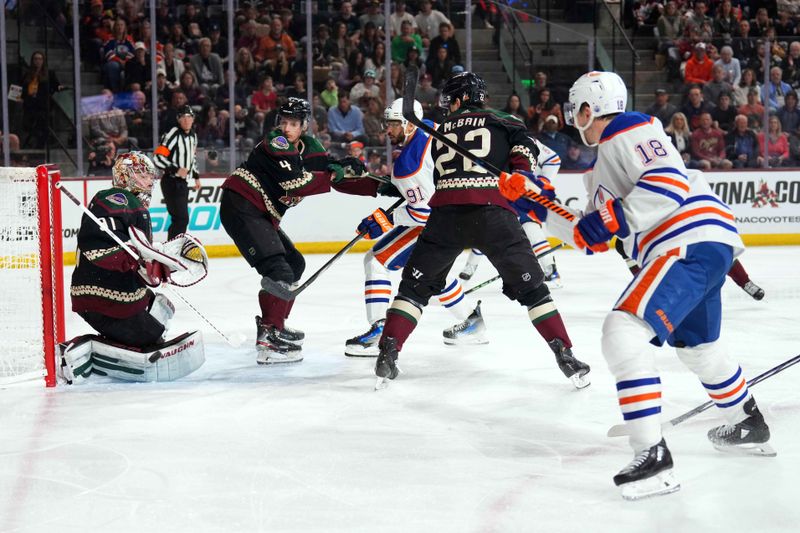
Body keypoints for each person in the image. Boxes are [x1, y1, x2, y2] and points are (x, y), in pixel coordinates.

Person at [541, 70, 773, 500]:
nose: (575, 120)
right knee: (701, 350)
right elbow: (589, 236)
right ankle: (746, 422)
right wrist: (534, 205)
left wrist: (612, 219)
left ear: (590, 108)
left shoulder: (629, 128)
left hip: (685, 240)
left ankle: (653, 457)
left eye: (577, 111)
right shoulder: (603, 168)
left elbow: (667, 184)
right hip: (700, 246)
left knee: (622, 333)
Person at [372, 72, 591, 390]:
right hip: (493, 213)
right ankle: (565, 354)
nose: (447, 108)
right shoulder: (503, 119)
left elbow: (441, 176)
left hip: (445, 216)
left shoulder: (442, 130)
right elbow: (524, 149)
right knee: (535, 292)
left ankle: (388, 354)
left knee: (412, 292)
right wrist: (520, 171)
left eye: (450, 100)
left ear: (460, 99)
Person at [219, 98, 366, 364]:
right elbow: (296, 183)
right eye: (284, 122)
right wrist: (334, 174)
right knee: (279, 270)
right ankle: (269, 335)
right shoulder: (277, 143)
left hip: (259, 212)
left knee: (294, 264)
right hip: (242, 206)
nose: (287, 128)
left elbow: (323, 166)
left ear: (305, 126)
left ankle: (276, 324)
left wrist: (345, 166)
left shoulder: (308, 147)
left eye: (294, 124)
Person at [344, 99, 487, 357]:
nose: (387, 131)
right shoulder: (432, 128)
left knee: (376, 261)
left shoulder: (408, 167)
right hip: (459, 214)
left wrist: (385, 220)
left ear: (410, 125)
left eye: (393, 125)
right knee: (432, 273)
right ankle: (472, 322)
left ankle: (379, 331)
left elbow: (422, 213)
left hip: (436, 219)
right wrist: (399, 188)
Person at [61, 152, 206, 383]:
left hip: (113, 293)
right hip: (100, 297)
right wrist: (136, 259)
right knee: (151, 336)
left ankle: (127, 339)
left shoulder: (134, 204)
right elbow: (98, 247)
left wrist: (157, 266)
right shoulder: (116, 197)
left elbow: (136, 258)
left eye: (150, 176)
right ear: (123, 174)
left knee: (161, 307)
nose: (149, 180)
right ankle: (82, 349)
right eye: (141, 174)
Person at [459, 137, 564, 288]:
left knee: (531, 228)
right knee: (486, 227)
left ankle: (550, 270)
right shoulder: (490, 138)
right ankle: (469, 268)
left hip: (522, 193)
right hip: (497, 191)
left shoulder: (527, 140)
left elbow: (553, 159)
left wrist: (540, 183)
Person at [154, 105, 200, 239]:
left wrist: (196, 176)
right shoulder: (173, 134)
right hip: (171, 181)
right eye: (183, 118)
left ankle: (174, 248)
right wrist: (175, 169)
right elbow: (158, 157)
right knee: (181, 219)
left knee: (181, 219)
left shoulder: (193, 136)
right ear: (178, 120)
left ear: (193, 119)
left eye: (189, 117)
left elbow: (193, 158)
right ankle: (173, 249)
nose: (187, 121)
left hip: (182, 183)